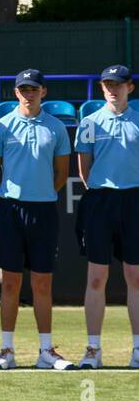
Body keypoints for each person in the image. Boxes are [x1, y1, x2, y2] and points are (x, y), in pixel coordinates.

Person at [0, 69, 72, 371]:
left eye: (33, 89)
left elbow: (61, 174)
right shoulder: (2, 127)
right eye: (23, 89)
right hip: (9, 211)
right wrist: (9, 198)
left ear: (43, 92)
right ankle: (7, 349)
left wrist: (41, 193)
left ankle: (46, 350)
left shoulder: (57, 128)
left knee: (43, 283)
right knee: (9, 283)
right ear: (15, 92)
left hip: (44, 211)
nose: (28, 93)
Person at [73, 64, 139, 369]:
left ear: (130, 88)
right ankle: (93, 350)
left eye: (118, 84)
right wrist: (102, 191)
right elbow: (84, 170)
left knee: (135, 277)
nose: (113, 89)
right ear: (101, 88)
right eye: (107, 85)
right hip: (100, 201)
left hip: (135, 200)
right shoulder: (89, 122)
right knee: (96, 277)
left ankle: (137, 349)